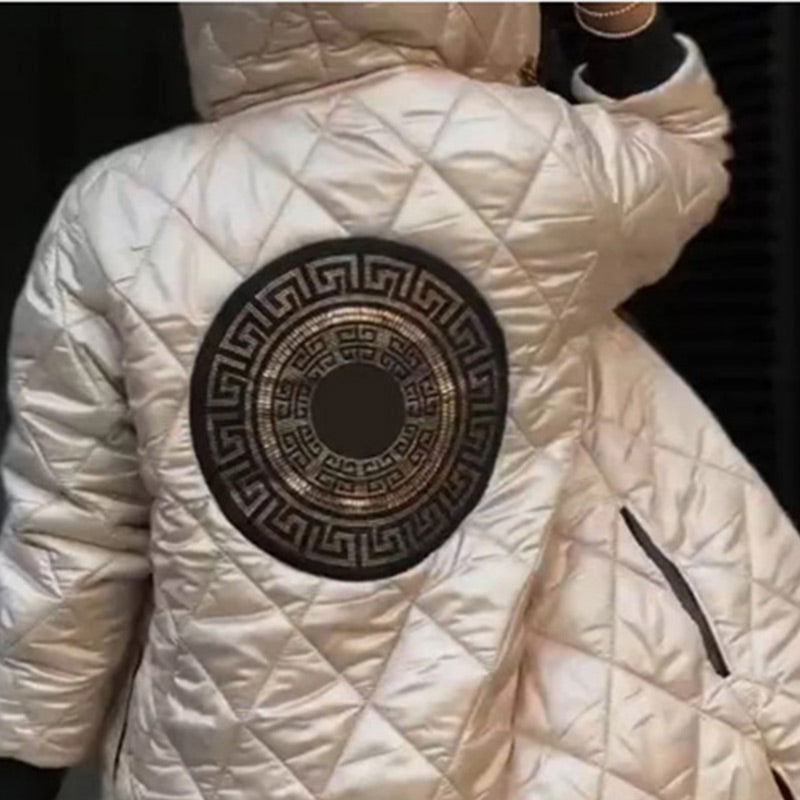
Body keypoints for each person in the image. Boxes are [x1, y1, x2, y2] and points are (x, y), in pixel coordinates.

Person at [1, 3, 798, 799]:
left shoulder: (114, 210)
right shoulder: (538, 153)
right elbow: (683, 149)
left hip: (222, 764)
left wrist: (25, 761)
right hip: (569, 746)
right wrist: (616, 17)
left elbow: (71, 538)